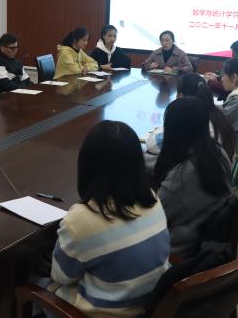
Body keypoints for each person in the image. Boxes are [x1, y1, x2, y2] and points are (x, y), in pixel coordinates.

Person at [49, 120, 170, 317]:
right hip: (148, 306)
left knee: (44, 288)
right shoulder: (152, 198)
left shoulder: (81, 219)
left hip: (103, 313)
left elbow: (60, 276)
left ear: (87, 164)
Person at [152, 97, 232, 258]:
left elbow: (153, 220)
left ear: (173, 129)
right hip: (202, 235)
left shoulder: (180, 179)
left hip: (177, 251)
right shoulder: (218, 152)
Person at [147, 73, 237, 160]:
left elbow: (153, 145)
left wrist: (163, 129)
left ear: (180, 96)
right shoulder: (217, 114)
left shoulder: (191, 122)